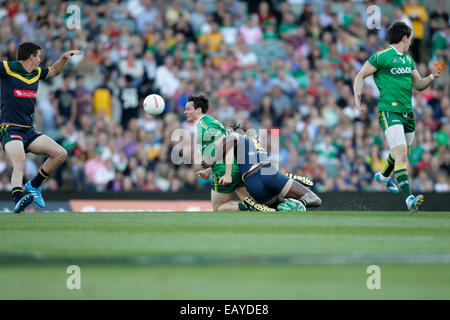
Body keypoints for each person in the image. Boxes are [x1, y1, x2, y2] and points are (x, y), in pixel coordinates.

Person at [353, 21, 441, 211]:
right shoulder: (381, 56)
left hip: (408, 113)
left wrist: (432, 77)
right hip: (389, 111)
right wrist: (357, 96)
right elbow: (360, 75)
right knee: (401, 152)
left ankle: (384, 176)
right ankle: (409, 198)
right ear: (404, 38)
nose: (410, 42)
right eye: (409, 39)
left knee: (403, 152)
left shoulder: (408, 60)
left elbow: (418, 84)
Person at [0, 42, 81, 213]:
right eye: (38, 56)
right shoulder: (8, 68)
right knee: (20, 161)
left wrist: (64, 58)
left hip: (28, 130)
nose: (40, 59)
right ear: (31, 57)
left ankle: (34, 185)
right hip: (10, 128)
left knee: (61, 154)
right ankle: (18, 200)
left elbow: (54, 71)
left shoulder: (36, 72)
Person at [202, 129, 321, 212]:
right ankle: (300, 199)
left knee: (279, 205)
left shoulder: (240, 140)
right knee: (314, 198)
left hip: (252, 184)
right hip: (268, 172)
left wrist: (211, 164)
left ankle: (284, 200)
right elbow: (229, 142)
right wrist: (212, 162)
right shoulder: (253, 143)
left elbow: (229, 146)